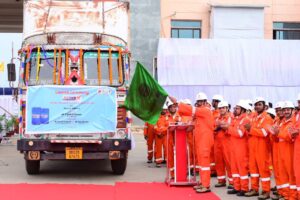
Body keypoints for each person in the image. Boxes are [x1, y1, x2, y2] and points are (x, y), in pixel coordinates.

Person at [171, 92, 214, 193]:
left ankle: (206, 185)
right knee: (201, 163)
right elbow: (192, 124)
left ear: (205, 102)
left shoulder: (205, 111)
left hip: (205, 141)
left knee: (204, 164)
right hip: (200, 140)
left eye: (201, 101)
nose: (199, 103)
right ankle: (203, 182)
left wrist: (177, 102)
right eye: (198, 102)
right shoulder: (200, 114)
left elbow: (191, 110)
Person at [245, 97, 273, 199]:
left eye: (259, 104)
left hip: (262, 148)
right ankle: (254, 189)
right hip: (252, 147)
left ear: (264, 106)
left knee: (264, 170)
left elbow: (264, 132)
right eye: (256, 104)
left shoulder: (268, 118)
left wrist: (251, 129)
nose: (257, 106)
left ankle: (266, 191)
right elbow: (251, 131)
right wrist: (250, 130)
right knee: (253, 169)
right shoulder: (254, 117)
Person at [227, 100, 251, 196]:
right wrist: (230, 128)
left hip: (242, 148)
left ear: (243, 109)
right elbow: (233, 131)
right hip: (234, 147)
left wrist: (228, 128)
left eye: (237, 108)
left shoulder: (246, 120)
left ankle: (244, 188)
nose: (235, 110)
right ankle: (237, 187)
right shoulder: (236, 119)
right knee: (234, 168)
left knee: (242, 169)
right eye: (235, 108)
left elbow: (240, 133)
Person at [274, 101, 297, 199]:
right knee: (283, 174)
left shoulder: (293, 122)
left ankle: (292, 196)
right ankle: (286, 194)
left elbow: (288, 136)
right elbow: (277, 138)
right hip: (281, 151)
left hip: (289, 152)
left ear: (292, 110)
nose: (286, 112)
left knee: (291, 175)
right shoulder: (282, 122)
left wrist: (278, 132)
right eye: (285, 110)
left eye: (288, 109)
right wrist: (275, 133)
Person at [214, 101, 233, 188]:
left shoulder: (230, 117)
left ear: (227, 108)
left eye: (223, 108)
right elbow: (213, 128)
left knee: (229, 162)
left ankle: (232, 182)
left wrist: (220, 126)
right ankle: (221, 180)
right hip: (217, 142)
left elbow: (228, 127)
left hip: (227, 143)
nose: (221, 109)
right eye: (220, 108)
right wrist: (221, 125)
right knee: (219, 162)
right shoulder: (217, 118)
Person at [210, 94, 224, 177]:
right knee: (213, 155)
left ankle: (216, 171)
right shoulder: (212, 112)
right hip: (213, 137)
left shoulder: (219, 113)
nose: (213, 103)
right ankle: (213, 170)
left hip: (219, 137)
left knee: (220, 157)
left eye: (214, 101)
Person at [154, 103, 169, 167]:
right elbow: (155, 126)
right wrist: (158, 132)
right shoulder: (156, 117)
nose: (164, 111)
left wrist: (162, 131)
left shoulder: (167, 117)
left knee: (166, 148)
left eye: (165, 110)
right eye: (163, 110)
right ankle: (158, 162)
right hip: (158, 136)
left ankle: (167, 160)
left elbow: (168, 126)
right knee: (158, 149)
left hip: (165, 135)